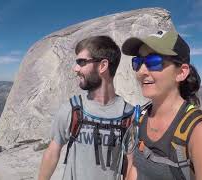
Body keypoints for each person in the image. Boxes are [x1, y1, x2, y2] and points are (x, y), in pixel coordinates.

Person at [121, 30, 202, 180]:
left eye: (154, 62)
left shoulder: (201, 132)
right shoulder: (140, 118)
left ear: (181, 72)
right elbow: (134, 170)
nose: (141, 71)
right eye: (137, 62)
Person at [38, 35, 134, 180]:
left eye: (81, 62)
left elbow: (130, 163)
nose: (75, 68)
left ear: (103, 66)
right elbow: (52, 151)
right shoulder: (72, 109)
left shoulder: (128, 115)